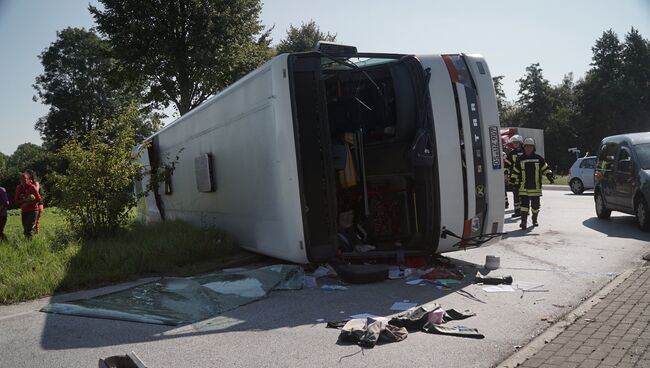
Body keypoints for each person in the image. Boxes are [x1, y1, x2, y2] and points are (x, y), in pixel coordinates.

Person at [511, 137, 554, 229]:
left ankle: (534, 219)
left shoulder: (538, 158)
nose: (528, 148)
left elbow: (545, 168)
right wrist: (512, 181)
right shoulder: (520, 159)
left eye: (530, 146)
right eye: (527, 146)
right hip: (523, 187)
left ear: (533, 147)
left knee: (535, 206)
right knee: (524, 206)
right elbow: (515, 171)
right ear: (524, 147)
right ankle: (523, 222)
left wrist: (549, 176)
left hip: (536, 186)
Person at [15, 172, 42, 239]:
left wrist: (28, 203)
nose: (23, 181)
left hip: (33, 210)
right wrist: (24, 201)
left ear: (28, 179)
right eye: (21, 179)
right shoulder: (19, 188)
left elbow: (39, 199)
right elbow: (16, 200)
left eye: (24, 179)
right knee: (25, 228)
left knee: (29, 228)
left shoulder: (32, 187)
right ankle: (27, 243)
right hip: (24, 211)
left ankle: (30, 244)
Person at [504, 135, 524, 217]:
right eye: (513, 143)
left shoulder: (525, 152)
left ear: (520, 143)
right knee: (516, 194)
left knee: (524, 194)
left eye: (516, 142)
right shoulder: (511, 153)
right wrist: (505, 174)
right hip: (514, 177)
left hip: (524, 176)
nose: (515, 144)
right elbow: (507, 164)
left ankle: (524, 210)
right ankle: (517, 211)